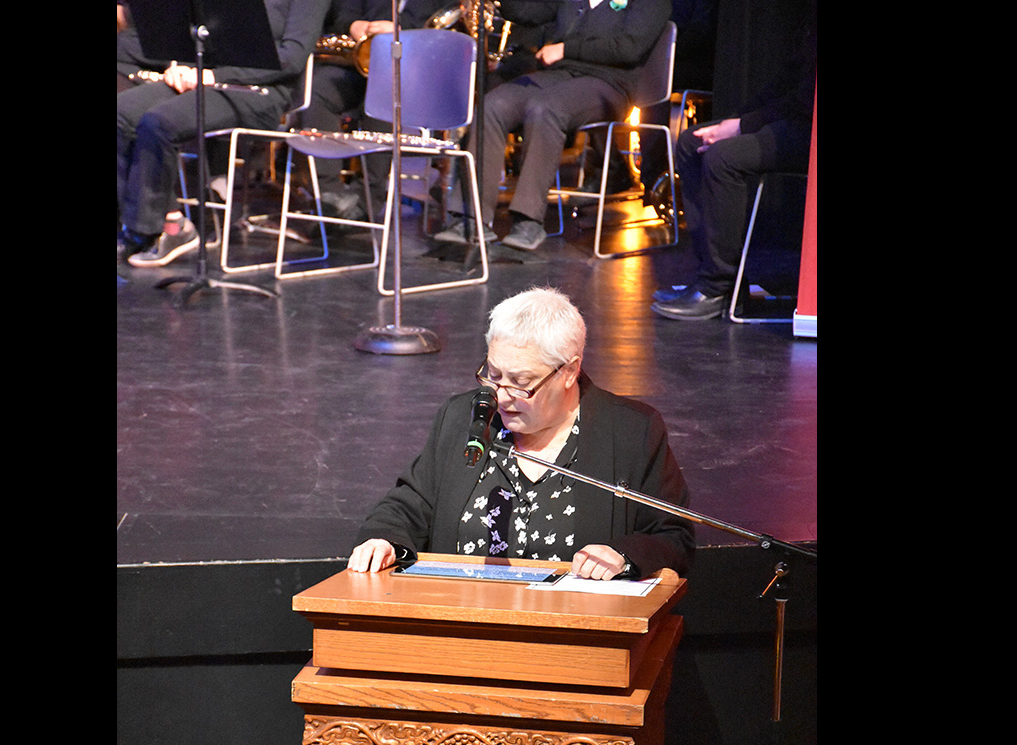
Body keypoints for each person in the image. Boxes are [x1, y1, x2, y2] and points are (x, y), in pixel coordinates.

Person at [349, 286, 695, 580]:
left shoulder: (629, 431)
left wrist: (623, 554)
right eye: (494, 374)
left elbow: (672, 535)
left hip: (572, 634)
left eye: (521, 382)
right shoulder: (464, 417)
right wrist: (385, 539)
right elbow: (410, 504)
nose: (500, 395)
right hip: (462, 629)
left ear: (569, 371)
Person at [434, 0, 671, 252]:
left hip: (610, 83)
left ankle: (528, 220)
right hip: (558, 75)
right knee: (494, 105)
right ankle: (471, 217)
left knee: (545, 108)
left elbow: (628, 49)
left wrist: (566, 49)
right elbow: (530, 11)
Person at [117, 0, 330, 267]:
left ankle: (153, 232)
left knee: (160, 122)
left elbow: (292, 57)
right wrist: (181, 64)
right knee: (121, 113)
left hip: (262, 91)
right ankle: (163, 223)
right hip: (208, 75)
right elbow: (203, 33)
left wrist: (213, 75)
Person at [651, 13, 816, 320]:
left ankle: (717, 286)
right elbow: (787, 80)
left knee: (724, 157)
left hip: (812, 128)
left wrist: (741, 127)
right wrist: (734, 121)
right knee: (693, 142)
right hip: (797, 119)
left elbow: (805, 99)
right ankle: (721, 281)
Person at [300, 0, 447, 220]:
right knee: (317, 90)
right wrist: (352, 24)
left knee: (386, 92)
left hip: (418, 71)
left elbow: (447, 24)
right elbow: (344, 9)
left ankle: (366, 200)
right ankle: (329, 196)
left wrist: (401, 30)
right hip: (363, 64)